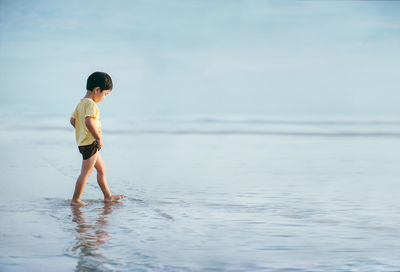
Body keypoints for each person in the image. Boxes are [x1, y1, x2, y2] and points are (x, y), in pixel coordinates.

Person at [70, 71, 124, 206]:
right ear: (97, 90)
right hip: (90, 143)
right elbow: (89, 121)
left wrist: (82, 132)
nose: (104, 97)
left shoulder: (81, 103)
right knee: (86, 172)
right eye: (105, 94)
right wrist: (98, 137)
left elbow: (72, 120)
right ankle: (75, 199)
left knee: (101, 169)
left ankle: (108, 196)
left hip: (84, 142)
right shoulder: (92, 104)